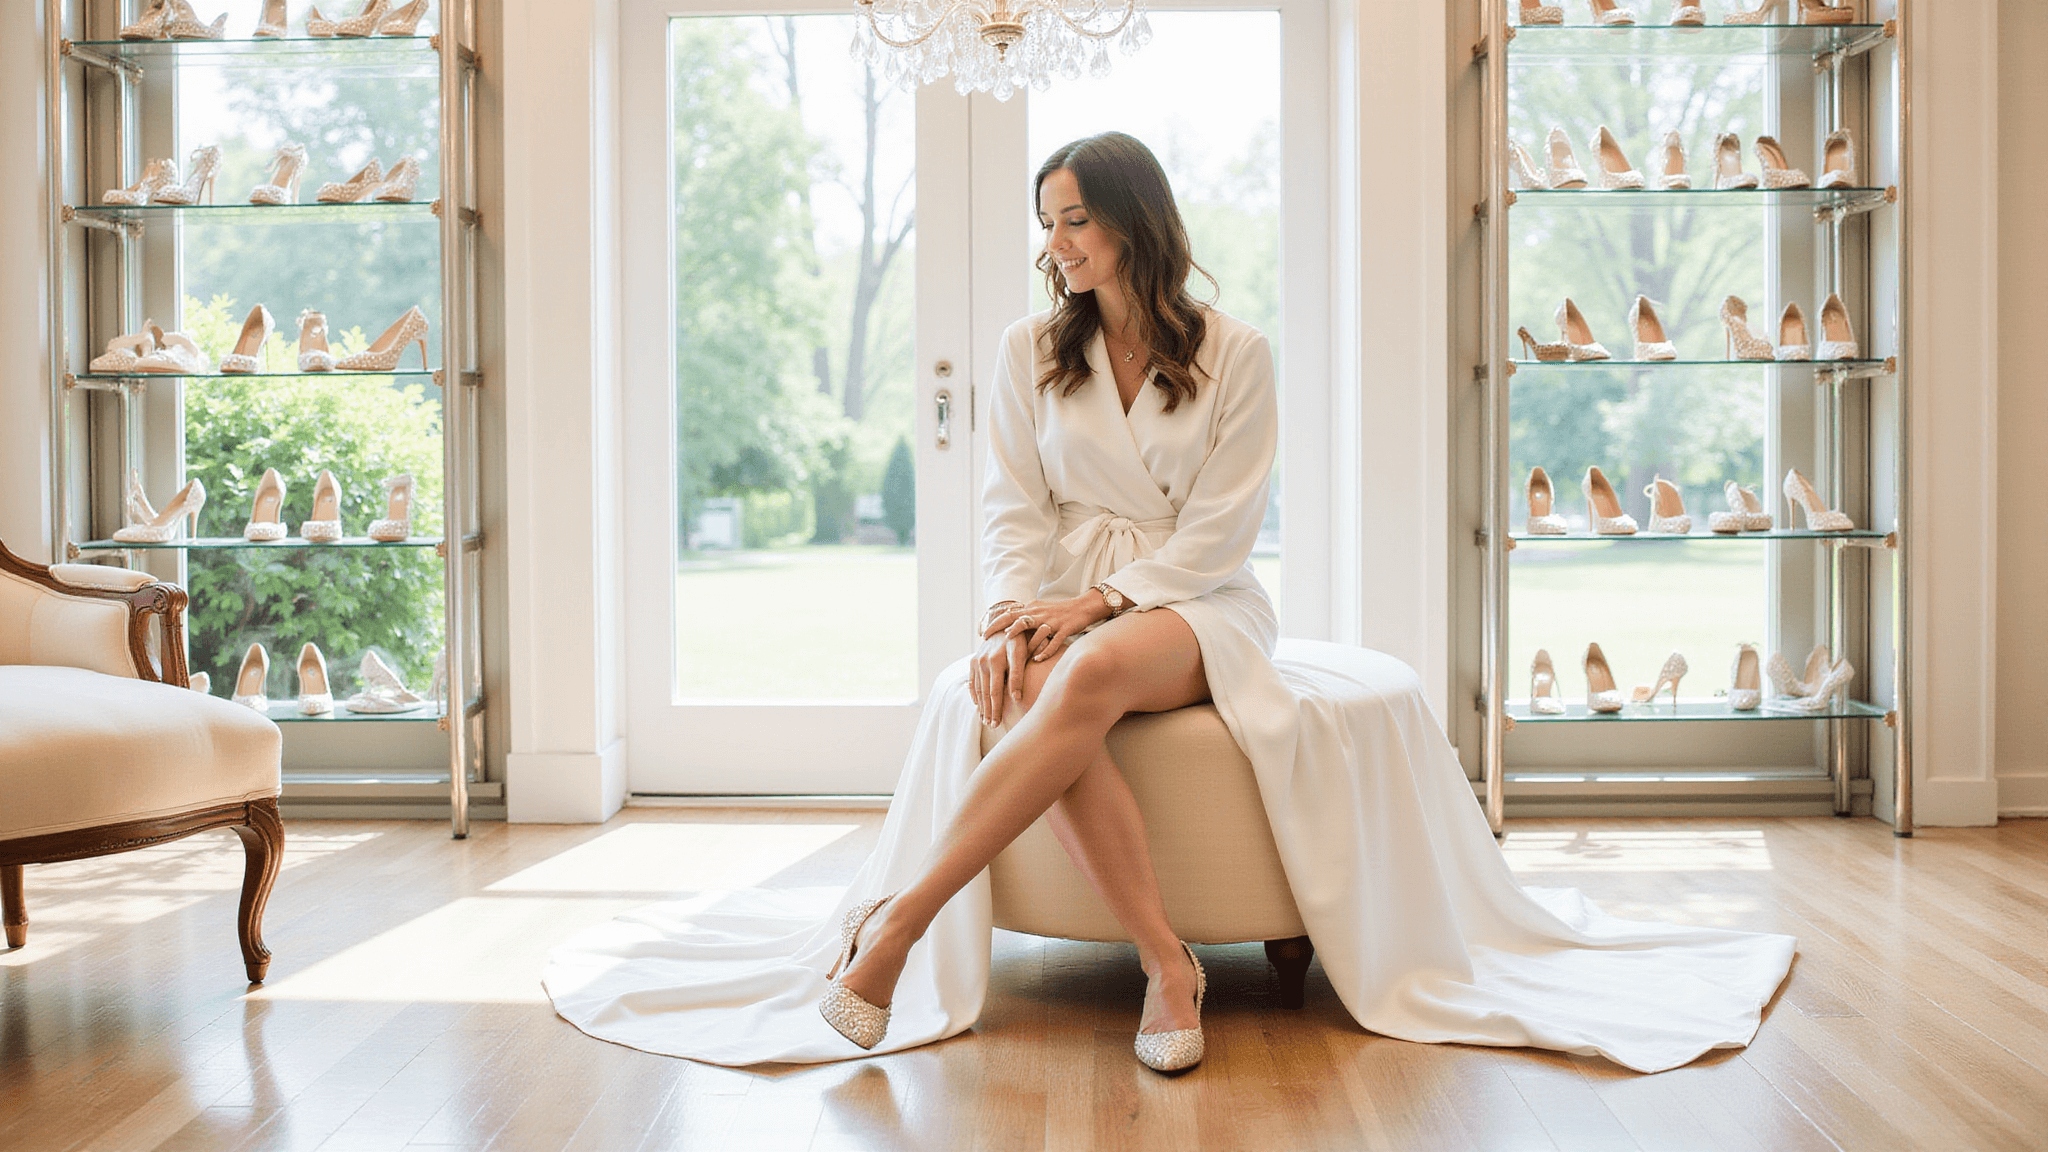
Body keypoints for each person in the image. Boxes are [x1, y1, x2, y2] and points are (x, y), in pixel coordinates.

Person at [545, 132, 1796, 1076]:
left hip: (1197, 602)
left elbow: (1220, 530)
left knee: (1084, 670)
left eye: (1076, 220)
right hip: (1063, 597)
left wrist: (1097, 603)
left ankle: (898, 923)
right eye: (1047, 225)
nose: (1057, 245)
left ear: (1134, 221)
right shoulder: (1026, 352)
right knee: (1044, 684)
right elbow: (1009, 504)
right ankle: (1166, 962)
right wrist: (1014, 613)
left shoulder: (1235, 352)